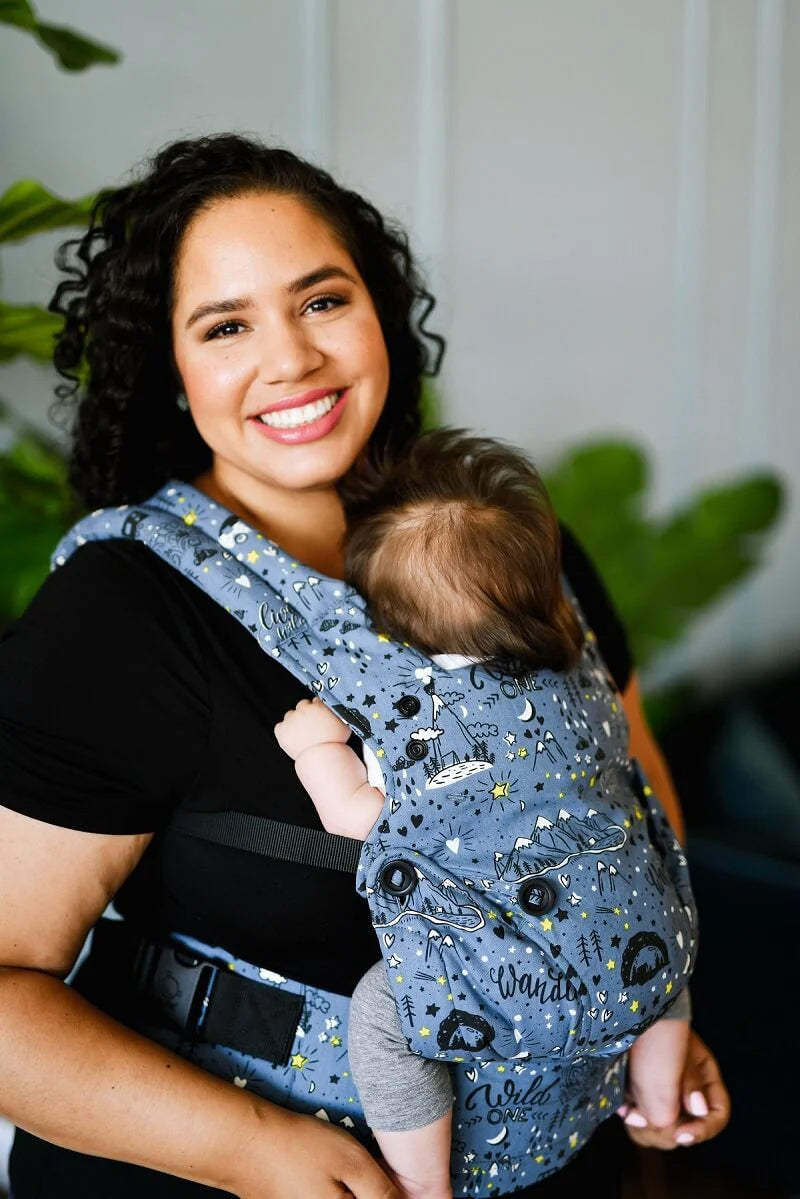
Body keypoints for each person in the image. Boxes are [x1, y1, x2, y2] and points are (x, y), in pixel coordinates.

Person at [0, 133, 729, 1199]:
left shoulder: (499, 537)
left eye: (322, 300)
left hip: (571, 1142)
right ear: (170, 366)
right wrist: (253, 1150)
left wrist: (641, 1004)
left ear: (380, 311)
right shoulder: (122, 613)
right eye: (225, 325)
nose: (291, 358)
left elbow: (622, 783)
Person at [274, 429, 693, 1199]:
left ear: (387, 625)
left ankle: (421, 1181)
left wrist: (313, 750)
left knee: (383, 1019)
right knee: (662, 955)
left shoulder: (412, 714)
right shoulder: (574, 678)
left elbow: (361, 819)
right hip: (631, 937)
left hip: (504, 977)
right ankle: (662, 1097)